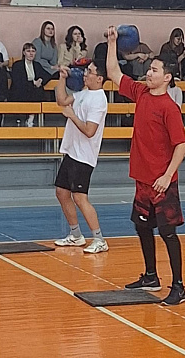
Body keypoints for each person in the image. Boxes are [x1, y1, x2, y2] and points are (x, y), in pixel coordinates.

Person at [105, 25, 185, 306]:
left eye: (154, 70)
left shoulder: (169, 107)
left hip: (162, 182)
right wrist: (112, 42)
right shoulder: (141, 93)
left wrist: (167, 176)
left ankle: (178, 286)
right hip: (142, 180)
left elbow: (182, 145)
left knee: (168, 232)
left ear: (166, 77)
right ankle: (151, 276)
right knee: (141, 226)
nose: (149, 73)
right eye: (149, 69)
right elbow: (113, 73)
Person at [53, 60, 109, 254]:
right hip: (72, 151)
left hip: (84, 156)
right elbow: (62, 100)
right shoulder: (83, 93)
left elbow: (89, 131)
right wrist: (62, 78)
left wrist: (72, 116)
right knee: (61, 192)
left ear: (99, 78)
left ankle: (99, 239)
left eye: (90, 72)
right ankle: (76, 235)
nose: (85, 74)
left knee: (80, 197)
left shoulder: (99, 100)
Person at [10, 43, 52, 127]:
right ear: (24, 53)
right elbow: (18, 81)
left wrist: (41, 80)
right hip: (21, 90)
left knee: (37, 91)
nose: (31, 53)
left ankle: (31, 118)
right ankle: (27, 118)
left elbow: (47, 75)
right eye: (28, 51)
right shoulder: (17, 65)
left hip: (34, 90)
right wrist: (32, 83)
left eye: (33, 51)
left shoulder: (37, 65)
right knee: (28, 90)